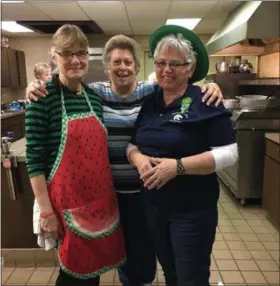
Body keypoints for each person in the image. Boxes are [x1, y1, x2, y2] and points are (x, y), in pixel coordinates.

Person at [26, 34, 224, 286]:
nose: (122, 68)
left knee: (140, 261)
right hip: (105, 196)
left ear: (136, 67)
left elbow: (180, 88)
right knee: (96, 259)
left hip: (144, 193)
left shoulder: (152, 93)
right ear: (107, 67)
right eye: (116, 62)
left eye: (128, 62)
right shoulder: (93, 93)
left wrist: (210, 86)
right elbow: (62, 90)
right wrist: (33, 86)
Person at [126, 25, 238, 286]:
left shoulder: (206, 100)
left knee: (192, 278)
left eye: (175, 64)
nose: (167, 70)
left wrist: (177, 167)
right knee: (171, 274)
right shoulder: (150, 101)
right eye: (161, 63)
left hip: (192, 210)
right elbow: (132, 144)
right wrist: (138, 159)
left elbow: (230, 153)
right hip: (153, 207)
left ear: (190, 67)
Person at [25, 24, 125, 286]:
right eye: (67, 53)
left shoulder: (94, 97)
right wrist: (47, 212)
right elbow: (34, 161)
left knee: (93, 272)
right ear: (53, 56)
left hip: (100, 202)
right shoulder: (41, 100)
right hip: (66, 207)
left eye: (81, 53)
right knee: (73, 274)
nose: (75, 60)